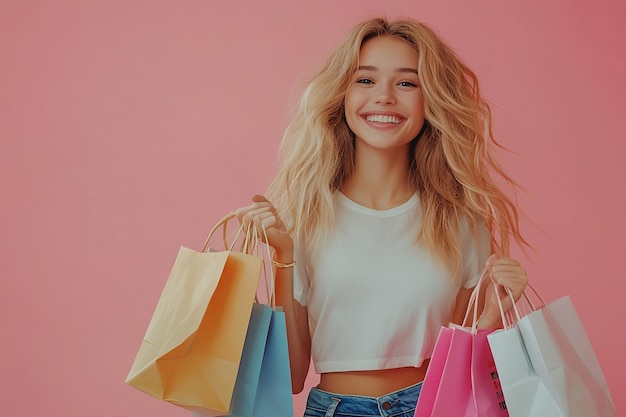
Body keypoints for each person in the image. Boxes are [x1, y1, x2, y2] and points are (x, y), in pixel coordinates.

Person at [234, 17, 529, 417]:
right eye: (366, 80)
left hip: (430, 405)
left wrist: (495, 311)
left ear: (431, 99)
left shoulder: (459, 218)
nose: (385, 97)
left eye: (407, 83)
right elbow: (292, 376)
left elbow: (464, 368)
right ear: (342, 93)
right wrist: (283, 257)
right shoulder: (304, 215)